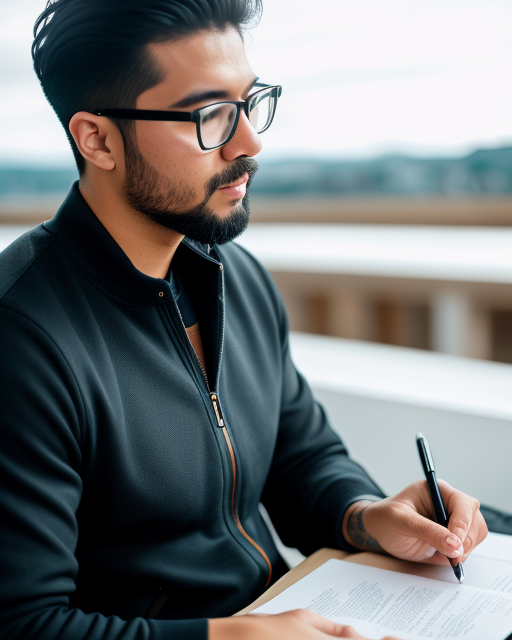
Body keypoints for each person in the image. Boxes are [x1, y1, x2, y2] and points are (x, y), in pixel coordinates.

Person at [0, 1, 487, 639]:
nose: (250, 142)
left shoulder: (235, 275)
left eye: (248, 100)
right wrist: (232, 636)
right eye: (209, 115)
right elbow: (25, 625)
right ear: (97, 139)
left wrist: (369, 514)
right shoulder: (23, 338)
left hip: (291, 608)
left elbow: (302, 459)